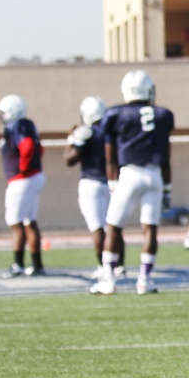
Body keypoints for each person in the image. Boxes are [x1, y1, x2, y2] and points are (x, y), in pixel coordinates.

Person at [91, 70, 174, 296]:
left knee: (114, 226)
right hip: (154, 174)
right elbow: (166, 154)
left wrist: (111, 182)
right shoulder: (162, 114)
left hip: (129, 173)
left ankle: (108, 279)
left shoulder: (115, 114)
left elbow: (110, 156)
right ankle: (144, 281)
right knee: (150, 229)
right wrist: (167, 187)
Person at [64, 96, 125, 280]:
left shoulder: (86, 132)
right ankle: (120, 266)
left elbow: (69, 159)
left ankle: (103, 266)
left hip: (91, 183)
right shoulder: (112, 131)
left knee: (98, 228)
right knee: (114, 227)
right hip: (113, 182)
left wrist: (71, 138)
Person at [0, 94, 46, 277]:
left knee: (15, 222)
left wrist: (23, 167)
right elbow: (39, 148)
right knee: (29, 221)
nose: (1, 116)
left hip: (22, 179)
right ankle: (37, 265)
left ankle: (18, 264)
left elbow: (27, 145)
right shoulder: (28, 124)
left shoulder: (16, 125)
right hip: (34, 177)